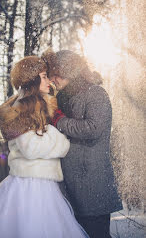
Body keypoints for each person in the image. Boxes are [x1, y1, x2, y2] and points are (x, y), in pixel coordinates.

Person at [0, 55, 89, 238]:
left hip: (45, 185)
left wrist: (52, 137)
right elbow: (31, 148)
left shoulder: (43, 105)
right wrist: (58, 138)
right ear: (32, 79)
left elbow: (44, 143)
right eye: (44, 76)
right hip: (29, 186)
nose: (48, 80)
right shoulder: (20, 109)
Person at [42, 50, 123, 238]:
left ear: (67, 71)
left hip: (91, 183)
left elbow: (93, 128)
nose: (52, 79)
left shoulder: (96, 93)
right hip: (68, 184)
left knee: (95, 233)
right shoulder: (62, 97)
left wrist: (59, 121)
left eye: (55, 73)